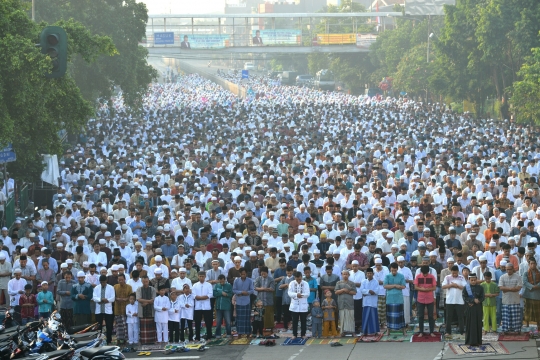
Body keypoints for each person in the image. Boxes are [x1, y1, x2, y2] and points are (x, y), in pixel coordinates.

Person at [442, 265, 466, 338]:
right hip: (450, 300)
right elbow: (443, 286)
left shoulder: (461, 278)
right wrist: (451, 285)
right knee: (449, 317)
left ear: (458, 272)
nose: (454, 274)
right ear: (451, 272)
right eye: (453, 273)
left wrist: (457, 286)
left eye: (455, 273)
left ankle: (462, 331)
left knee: (460, 316)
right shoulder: (447, 277)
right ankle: (448, 331)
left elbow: (464, 287)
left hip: (459, 300)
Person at [414, 265, 437, 337]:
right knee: (420, 316)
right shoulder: (418, 276)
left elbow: (434, 287)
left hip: (430, 298)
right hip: (420, 299)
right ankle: (421, 332)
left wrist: (425, 289)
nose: (425, 275)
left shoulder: (432, 277)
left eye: (426, 273)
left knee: (431, 316)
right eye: (423, 273)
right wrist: (424, 289)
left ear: (428, 272)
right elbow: (415, 287)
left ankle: (431, 332)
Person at [383, 263, 407, 334]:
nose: (394, 272)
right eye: (392, 270)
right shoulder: (387, 276)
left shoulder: (401, 276)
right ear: (390, 269)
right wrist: (395, 285)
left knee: (400, 315)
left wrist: (393, 286)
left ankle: (403, 330)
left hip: (398, 299)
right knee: (389, 315)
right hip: (390, 298)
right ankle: (388, 330)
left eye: (395, 270)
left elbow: (403, 286)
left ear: (397, 269)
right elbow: (385, 286)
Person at [462, 273, 485, 346]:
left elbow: (482, 297)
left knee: (478, 324)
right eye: (472, 280)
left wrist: (478, 301)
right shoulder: (466, 287)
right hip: (469, 307)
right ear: (469, 280)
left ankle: (478, 341)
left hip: (477, 307)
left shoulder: (480, 287)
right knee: (470, 324)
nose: (473, 282)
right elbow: (464, 297)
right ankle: (470, 341)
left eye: (475, 280)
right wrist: (471, 301)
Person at [93, 275, 115, 344]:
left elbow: (113, 298)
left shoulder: (111, 287)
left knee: (109, 325)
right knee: (99, 326)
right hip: (99, 310)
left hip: (108, 309)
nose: (103, 283)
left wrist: (107, 300)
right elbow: (94, 297)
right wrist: (100, 299)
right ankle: (99, 341)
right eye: (101, 282)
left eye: (104, 282)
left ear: (106, 281)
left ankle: (109, 340)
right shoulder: (96, 287)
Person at [288, 271, 310, 339]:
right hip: (294, 305)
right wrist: (296, 295)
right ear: (295, 278)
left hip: (303, 304)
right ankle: (294, 334)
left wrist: (301, 295)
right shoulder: (292, 283)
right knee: (295, 321)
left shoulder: (305, 283)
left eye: (300, 279)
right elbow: (289, 293)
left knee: (303, 320)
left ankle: (303, 334)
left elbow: (307, 293)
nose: (298, 280)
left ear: (301, 277)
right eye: (297, 279)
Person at [232, 267, 254, 336]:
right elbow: (234, 290)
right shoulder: (236, 281)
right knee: (239, 318)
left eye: (244, 274)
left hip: (246, 301)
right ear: (240, 274)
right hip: (239, 301)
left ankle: (247, 332)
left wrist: (246, 292)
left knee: (247, 318)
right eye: (242, 274)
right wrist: (241, 292)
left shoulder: (250, 281)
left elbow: (252, 290)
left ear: (246, 274)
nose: (243, 275)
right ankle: (240, 332)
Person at [192, 271, 213, 341]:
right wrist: (201, 298)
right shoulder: (195, 285)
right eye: (200, 276)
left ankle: (209, 336)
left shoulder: (208, 285)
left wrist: (201, 298)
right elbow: (193, 295)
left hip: (206, 306)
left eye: (202, 276)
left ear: (205, 277)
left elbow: (210, 294)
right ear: (198, 276)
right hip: (198, 307)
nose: (201, 278)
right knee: (197, 322)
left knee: (208, 322)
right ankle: (197, 337)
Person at [136, 275, 156, 344]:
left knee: (151, 328)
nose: (145, 283)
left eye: (146, 281)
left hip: (151, 311)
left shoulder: (153, 289)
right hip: (142, 311)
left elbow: (153, 299)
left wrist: (145, 303)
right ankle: (144, 341)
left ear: (148, 281)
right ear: (142, 281)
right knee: (143, 328)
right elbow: (138, 299)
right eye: (144, 281)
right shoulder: (139, 289)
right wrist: (148, 302)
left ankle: (152, 341)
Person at [335, 269, 356, 335]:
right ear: (342, 275)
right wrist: (343, 290)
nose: (345, 275)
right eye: (344, 274)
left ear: (349, 275)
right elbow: (336, 292)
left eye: (346, 274)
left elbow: (354, 292)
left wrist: (348, 291)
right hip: (341, 302)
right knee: (342, 317)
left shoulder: (352, 283)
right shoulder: (338, 283)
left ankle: (352, 331)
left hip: (349, 303)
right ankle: (343, 332)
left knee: (350, 317)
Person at [113, 274, 132, 345]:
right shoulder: (115, 287)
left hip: (125, 309)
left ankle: (124, 340)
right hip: (117, 309)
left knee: (125, 326)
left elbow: (131, 296)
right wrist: (117, 299)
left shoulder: (129, 287)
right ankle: (118, 339)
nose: (120, 281)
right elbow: (112, 296)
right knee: (118, 326)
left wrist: (125, 299)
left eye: (122, 280)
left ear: (125, 279)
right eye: (119, 280)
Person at [360, 268, 380, 335]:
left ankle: (374, 331)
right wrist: (369, 291)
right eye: (368, 273)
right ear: (366, 274)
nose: (369, 274)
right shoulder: (363, 281)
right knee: (366, 317)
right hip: (366, 302)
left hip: (373, 302)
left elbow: (376, 291)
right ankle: (365, 331)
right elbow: (362, 290)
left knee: (373, 317)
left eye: (370, 273)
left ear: (373, 274)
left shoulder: (376, 282)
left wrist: (367, 292)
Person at [522, 257, 540, 327]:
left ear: (536, 264)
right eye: (531, 264)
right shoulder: (526, 273)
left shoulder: (539, 272)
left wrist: (537, 286)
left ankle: (538, 325)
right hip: (528, 294)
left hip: (537, 294)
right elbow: (525, 282)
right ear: (529, 264)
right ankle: (527, 325)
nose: (533, 265)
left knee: (537, 311)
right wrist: (532, 286)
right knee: (527, 311)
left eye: (534, 263)